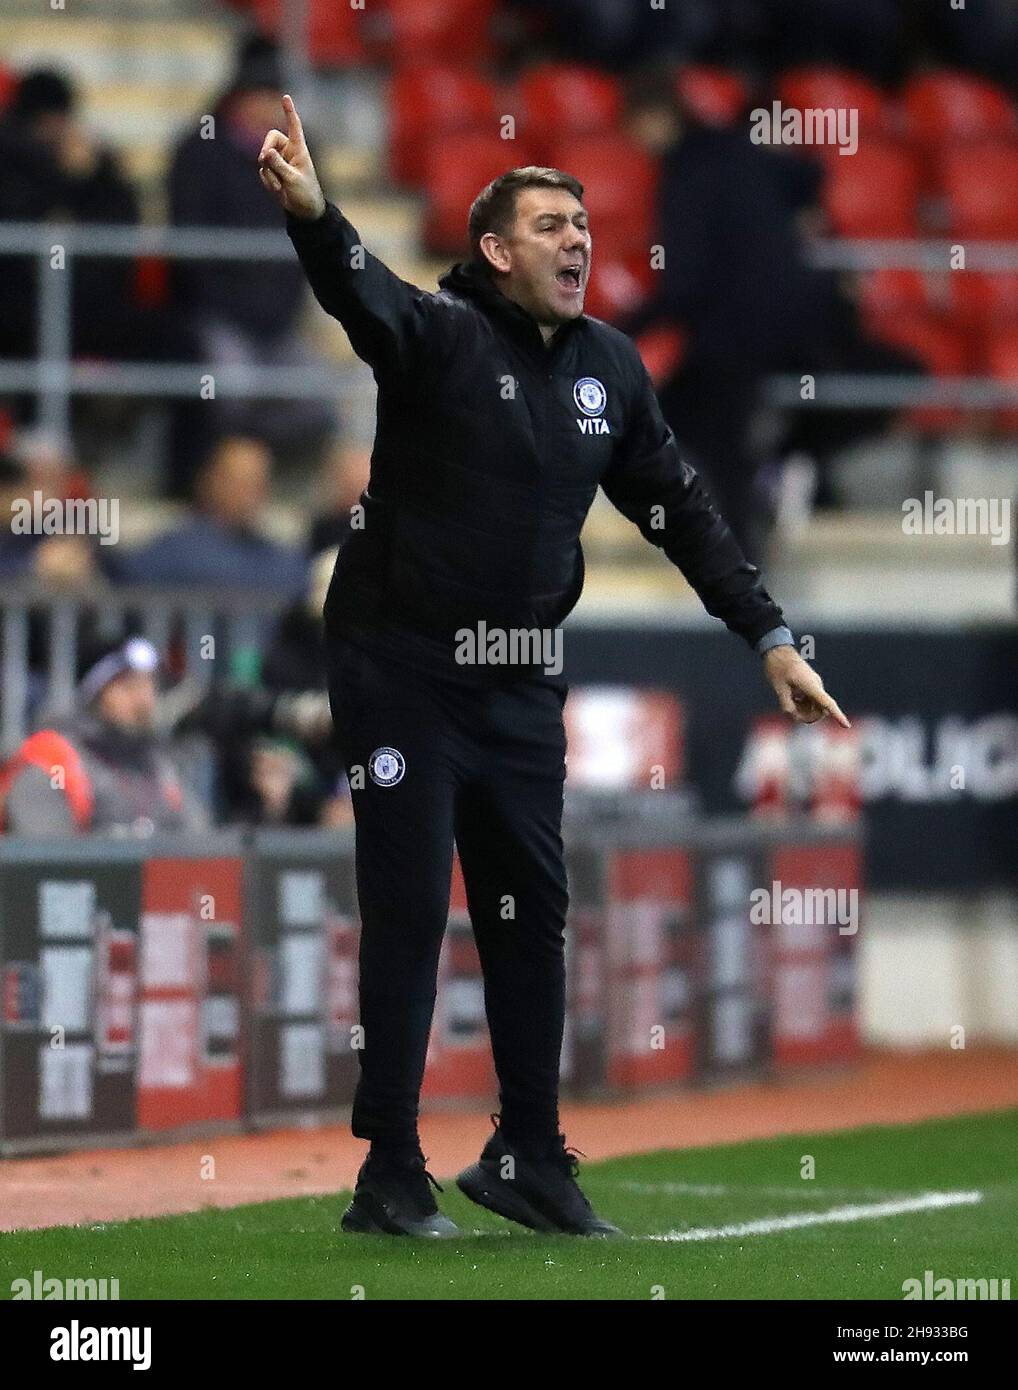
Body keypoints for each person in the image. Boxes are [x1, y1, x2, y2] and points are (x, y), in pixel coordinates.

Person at [259, 95, 847, 1238]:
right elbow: (357, 292)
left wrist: (768, 635)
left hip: (520, 678)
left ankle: (528, 1149)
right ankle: (389, 1166)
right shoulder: (437, 335)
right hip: (401, 665)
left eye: (583, 222)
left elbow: (680, 509)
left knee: (533, 914)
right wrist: (316, 214)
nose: (577, 239)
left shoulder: (610, 369)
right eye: (548, 224)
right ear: (493, 249)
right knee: (409, 903)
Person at [0, 635, 210, 837]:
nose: (143, 701)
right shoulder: (53, 759)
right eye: (128, 687)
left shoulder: (155, 762)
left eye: (149, 686)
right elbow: (46, 857)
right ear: (93, 694)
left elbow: (199, 843)